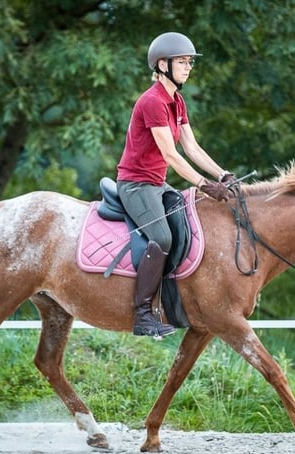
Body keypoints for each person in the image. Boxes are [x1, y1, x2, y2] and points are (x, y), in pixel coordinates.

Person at [117, 31, 237, 338]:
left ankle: (175, 299)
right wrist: (202, 183)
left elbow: (192, 148)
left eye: (189, 62)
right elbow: (170, 153)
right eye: (182, 62)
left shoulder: (176, 101)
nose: (188, 67)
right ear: (162, 64)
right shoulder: (152, 102)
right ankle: (143, 314)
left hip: (157, 184)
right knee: (163, 238)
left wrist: (222, 174)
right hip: (136, 185)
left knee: (193, 223)